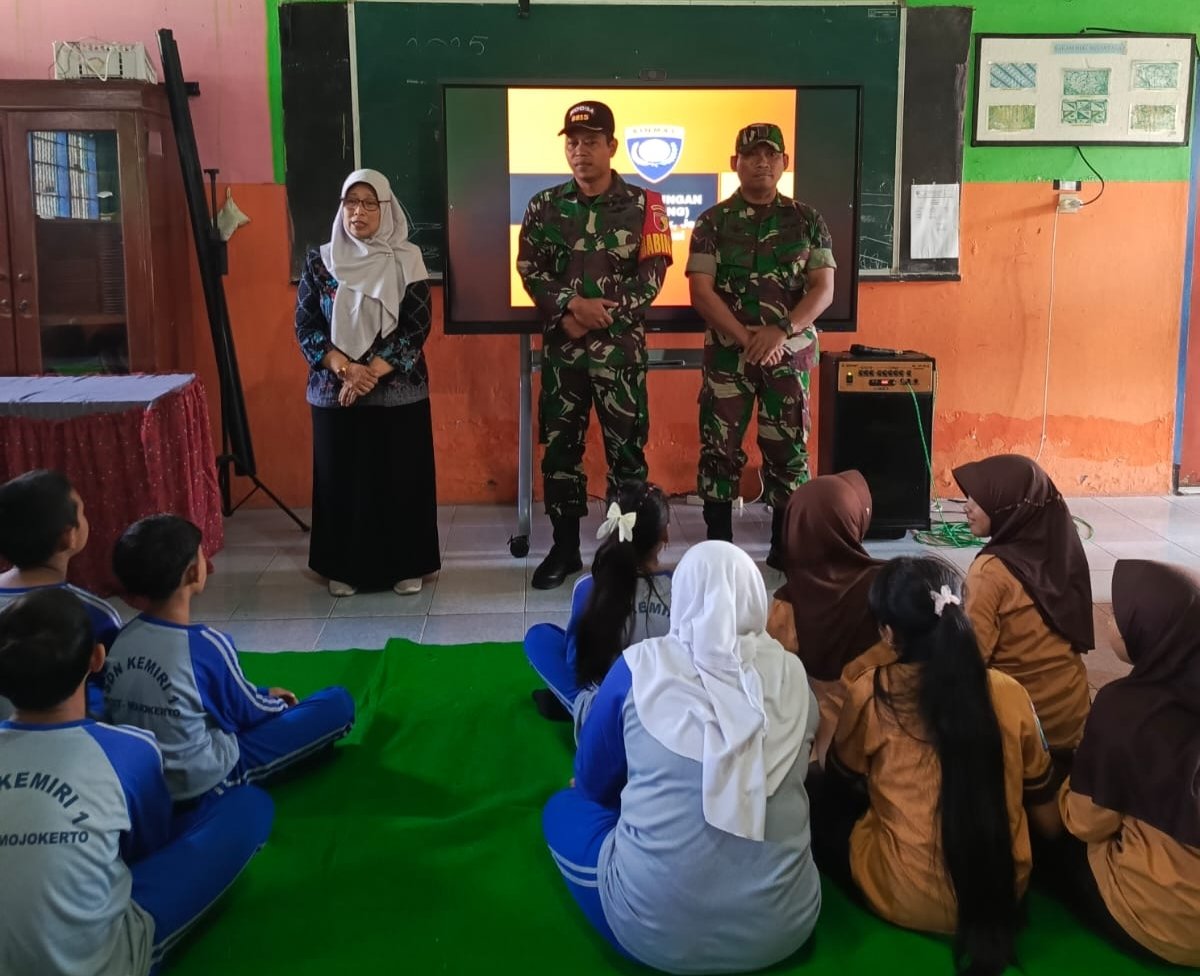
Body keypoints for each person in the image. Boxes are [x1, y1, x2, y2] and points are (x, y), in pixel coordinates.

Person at [542, 541, 821, 973]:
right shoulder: (793, 675)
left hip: (653, 933)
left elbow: (591, 783)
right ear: (755, 597)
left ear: (683, 596)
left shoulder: (638, 667)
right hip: (789, 926)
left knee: (563, 808)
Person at [0, 588, 273, 976]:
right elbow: (146, 847)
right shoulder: (130, 749)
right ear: (97, 658)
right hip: (105, 961)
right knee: (249, 807)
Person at [809, 557, 1061, 976]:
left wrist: (825, 725)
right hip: (1002, 894)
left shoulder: (872, 691)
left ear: (888, 633)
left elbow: (840, 780)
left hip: (903, 894)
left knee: (815, 796)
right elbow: (1046, 814)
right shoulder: (1011, 692)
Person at [517, 100, 674, 590]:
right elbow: (530, 270)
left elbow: (652, 278)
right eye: (572, 142)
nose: (580, 150)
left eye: (590, 141)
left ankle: (627, 555)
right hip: (564, 354)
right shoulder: (543, 205)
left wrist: (597, 315)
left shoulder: (647, 205)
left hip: (620, 356)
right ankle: (564, 550)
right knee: (560, 454)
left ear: (612, 146)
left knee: (626, 457)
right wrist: (571, 307)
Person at [105, 515, 356, 801]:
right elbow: (247, 712)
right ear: (192, 573)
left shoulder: (121, 639)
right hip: (208, 778)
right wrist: (275, 702)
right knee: (338, 702)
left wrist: (263, 693)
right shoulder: (205, 645)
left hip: (142, 780)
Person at [687, 123, 836, 564]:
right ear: (735, 163)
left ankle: (784, 547)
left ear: (784, 163)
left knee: (787, 451)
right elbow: (701, 291)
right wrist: (747, 338)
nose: (762, 162)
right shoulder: (712, 221)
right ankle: (719, 548)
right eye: (752, 155)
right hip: (728, 358)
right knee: (719, 451)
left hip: (787, 357)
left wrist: (781, 331)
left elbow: (823, 289)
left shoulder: (807, 220)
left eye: (771, 155)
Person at [295, 168, 439, 598]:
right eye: (351, 203)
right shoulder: (321, 260)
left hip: (397, 390)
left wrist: (369, 373)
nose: (358, 212)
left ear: (386, 209)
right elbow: (306, 326)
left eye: (369, 203)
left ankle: (406, 565)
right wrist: (345, 370)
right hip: (335, 388)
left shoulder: (408, 259)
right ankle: (344, 567)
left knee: (401, 478)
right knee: (342, 479)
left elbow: (416, 325)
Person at [1051, 560, 1200, 967]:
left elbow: (1086, 824)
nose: (1109, 623)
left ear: (1152, 630)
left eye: (1119, 616)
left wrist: (1066, 781)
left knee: (1045, 827)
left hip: (1164, 923)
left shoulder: (1125, 709)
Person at [953, 454, 1093, 755]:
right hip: (1074, 718)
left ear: (1008, 506)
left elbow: (971, 660)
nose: (967, 507)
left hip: (1023, 728)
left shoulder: (989, 572)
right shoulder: (1061, 553)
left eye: (979, 500)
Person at [524, 481, 672, 736]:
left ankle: (574, 706)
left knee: (539, 638)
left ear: (612, 529)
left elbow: (575, 662)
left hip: (606, 719)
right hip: (670, 716)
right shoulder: (681, 588)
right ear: (664, 536)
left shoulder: (589, 588)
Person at [767, 470, 889, 762]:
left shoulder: (785, 605)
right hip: (882, 741)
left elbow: (776, 685)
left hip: (813, 747)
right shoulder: (888, 587)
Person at [0, 468, 122, 718]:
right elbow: (114, 690)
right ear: (69, 536)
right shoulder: (94, 615)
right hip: (71, 734)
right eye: (82, 512)